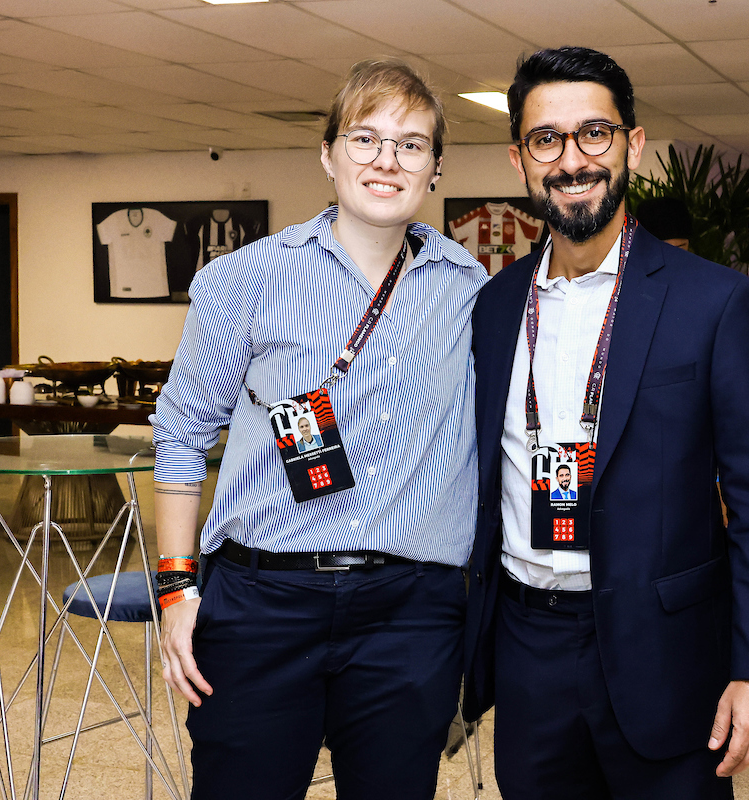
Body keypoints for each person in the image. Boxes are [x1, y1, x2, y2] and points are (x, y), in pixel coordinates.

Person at [462, 47, 749, 799]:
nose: (572, 159)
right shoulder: (493, 308)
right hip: (527, 646)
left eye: (594, 134)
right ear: (520, 157)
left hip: (666, 650)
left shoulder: (711, 301)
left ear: (632, 145)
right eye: (547, 140)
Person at [151, 58, 487, 799]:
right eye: (365, 139)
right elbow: (180, 434)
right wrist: (177, 595)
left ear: (435, 168)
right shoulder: (243, 280)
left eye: (411, 144)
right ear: (328, 153)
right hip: (263, 605)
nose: (386, 161)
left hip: (412, 613)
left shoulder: (472, 294)